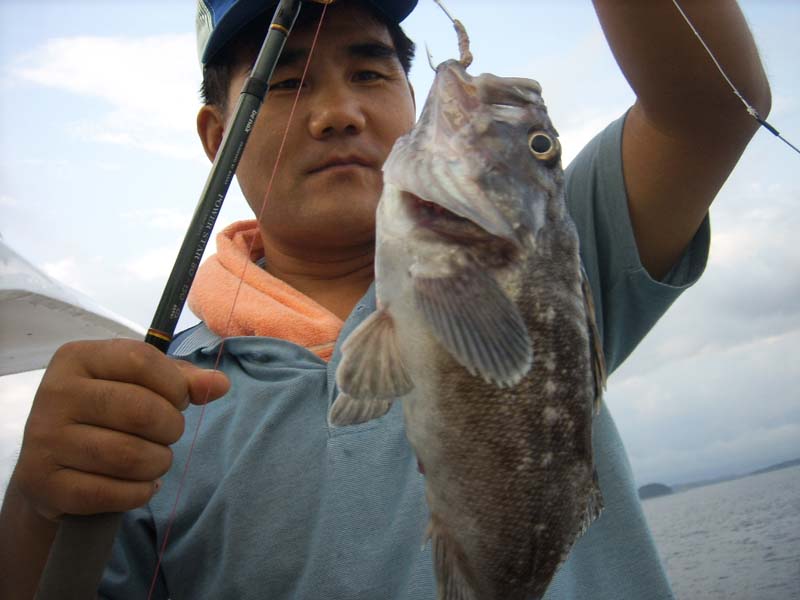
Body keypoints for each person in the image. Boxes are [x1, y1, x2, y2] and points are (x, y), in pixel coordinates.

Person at [0, 0, 770, 598]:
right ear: (216, 137)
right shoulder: (147, 410)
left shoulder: (545, 249)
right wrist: (34, 509)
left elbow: (713, 106)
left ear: (411, 97)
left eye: (370, 72)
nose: (338, 112)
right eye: (286, 82)